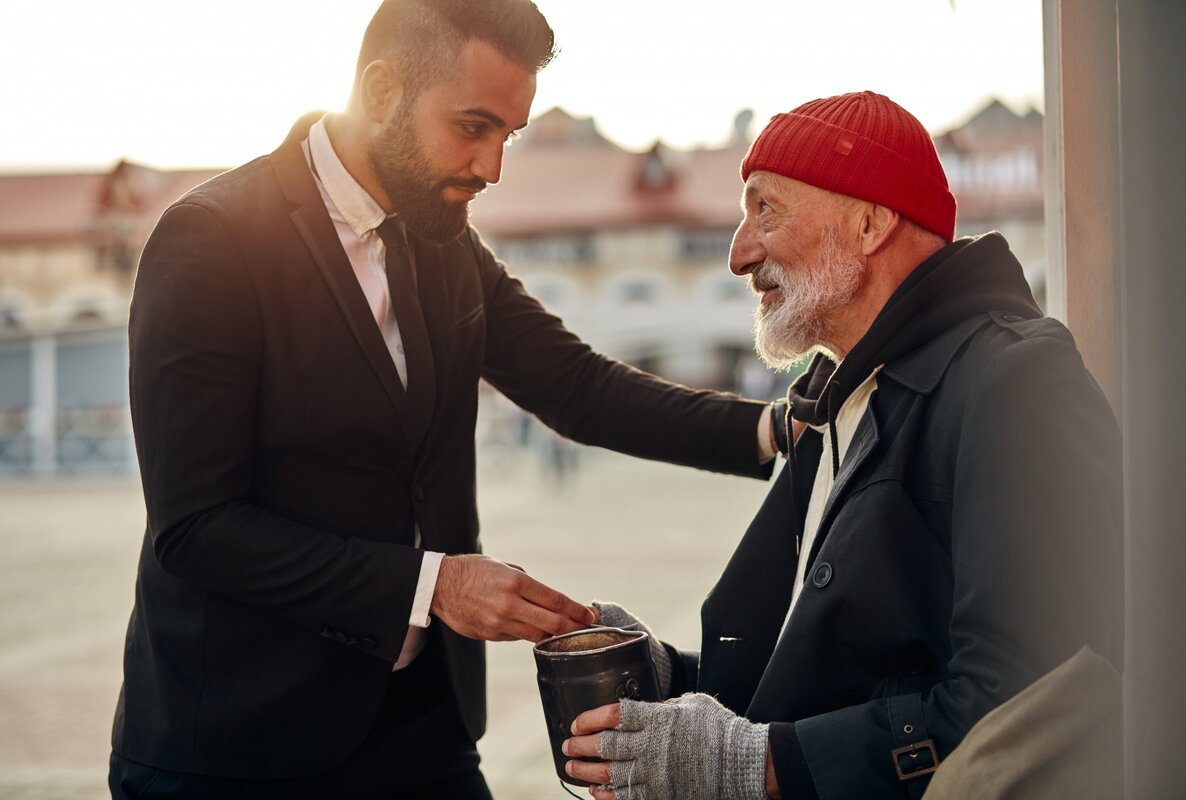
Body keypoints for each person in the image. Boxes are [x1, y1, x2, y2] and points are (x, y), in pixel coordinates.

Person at [107, 2, 782, 797]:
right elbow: (195, 527)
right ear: (383, 89)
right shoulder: (210, 242)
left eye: (510, 135)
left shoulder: (444, 241)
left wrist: (776, 429)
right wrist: (433, 585)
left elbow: (578, 386)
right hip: (237, 742)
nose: (492, 166)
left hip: (422, 727)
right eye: (473, 126)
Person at [563, 91, 1122, 799]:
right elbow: (817, 677)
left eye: (765, 209)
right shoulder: (839, 395)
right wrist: (665, 676)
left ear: (869, 223)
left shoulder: (1012, 380)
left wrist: (755, 766)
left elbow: (1028, 700)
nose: (738, 253)